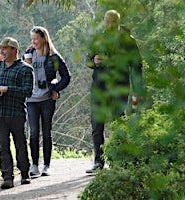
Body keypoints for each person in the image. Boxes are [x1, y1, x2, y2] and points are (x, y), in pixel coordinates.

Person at [85, 10, 145, 173]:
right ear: (104, 21)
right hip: (99, 87)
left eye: (114, 22)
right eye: (108, 21)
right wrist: (94, 61)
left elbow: (137, 66)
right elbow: (88, 60)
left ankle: (120, 160)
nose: (110, 25)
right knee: (97, 124)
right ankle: (98, 161)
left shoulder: (128, 41)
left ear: (118, 23)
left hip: (119, 87)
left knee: (119, 123)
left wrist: (137, 90)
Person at [0, 37, 34, 189]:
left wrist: (8, 89)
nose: (1, 51)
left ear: (14, 50)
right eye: (0, 49)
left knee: (20, 144)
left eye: (4, 48)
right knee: (2, 146)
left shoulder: (25, 69)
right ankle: (7, 177)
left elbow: (27, 91)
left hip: (16, 113)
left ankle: (24, 174)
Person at [24, 26, 71, 176]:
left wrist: (56, 89)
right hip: (31, 99)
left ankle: (46, 165)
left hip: (46, 99)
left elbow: (66, 77)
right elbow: (18, 72)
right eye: (32, 39)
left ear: (44, 38)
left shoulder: (53, 56)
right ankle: (34, 165)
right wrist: (26, 67)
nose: (34, 42)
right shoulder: (28, 54)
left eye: (36, 39)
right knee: (33, 132)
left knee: (46, 132)